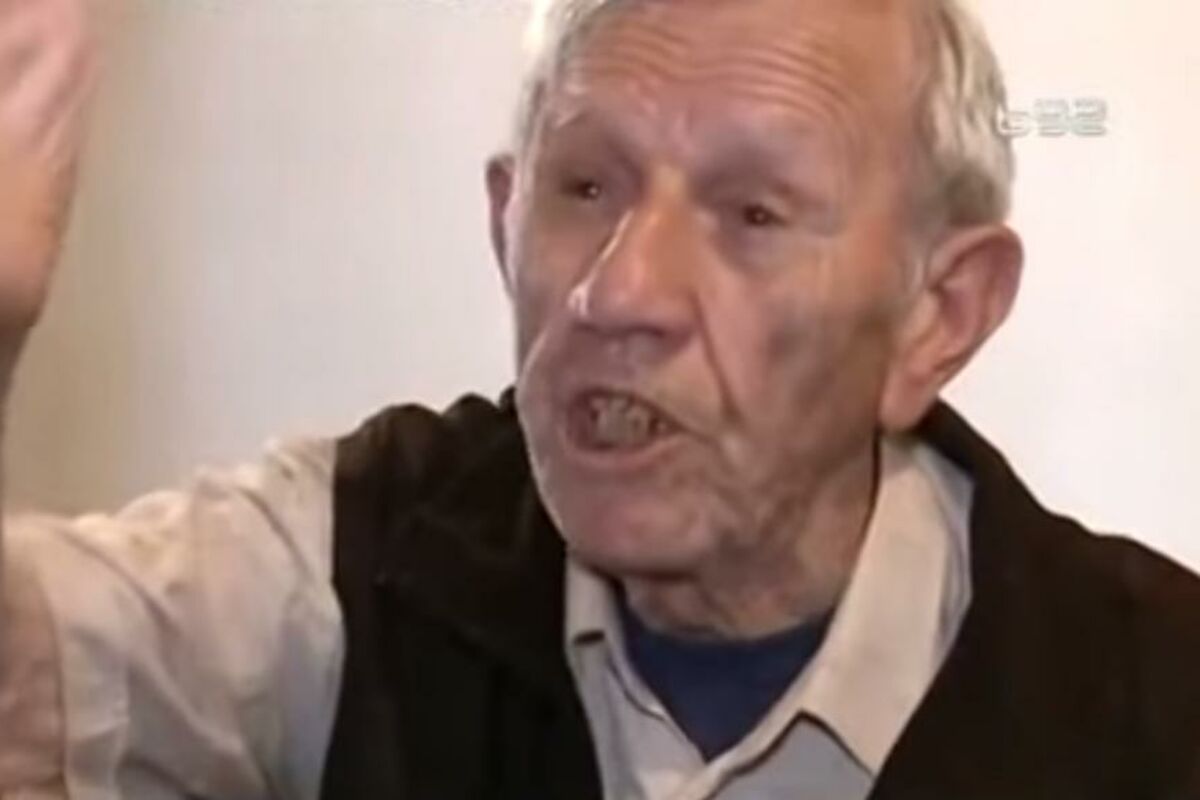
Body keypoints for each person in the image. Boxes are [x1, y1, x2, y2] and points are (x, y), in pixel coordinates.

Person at [2, 0, 1199, 797]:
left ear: (939, 313)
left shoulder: (1155, 702)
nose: (618, 291)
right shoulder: (364, 558)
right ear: (503, 222)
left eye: (753, 213)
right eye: (584, 186)